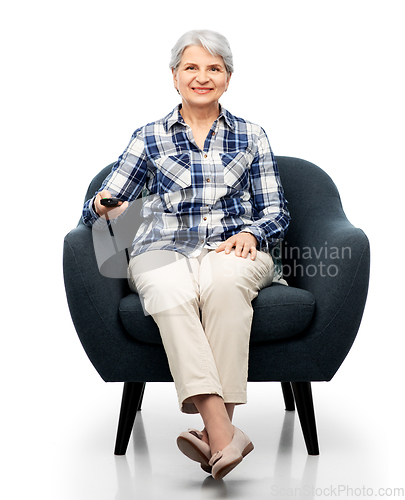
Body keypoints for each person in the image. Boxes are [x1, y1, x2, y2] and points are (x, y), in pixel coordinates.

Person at [82, 29, 290, 480]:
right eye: (191, 68)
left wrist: (253, 232)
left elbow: (276, 209)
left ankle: (214, 434)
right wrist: (103, 205)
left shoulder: (251, 135)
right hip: (161, 248)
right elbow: (105, 202)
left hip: (231, 246)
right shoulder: (150, 136)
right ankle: (222, 431)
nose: (202, 77)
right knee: (168, 288)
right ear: (174, 76)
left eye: (213, 68)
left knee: (224, 283)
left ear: (228, 78)